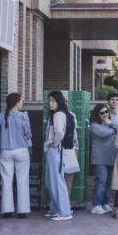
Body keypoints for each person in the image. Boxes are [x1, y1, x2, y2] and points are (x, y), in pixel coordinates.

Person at [43, 90, 73, 221]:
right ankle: (56, 210)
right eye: (49, 100)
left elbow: (59, 132)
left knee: (56, 181)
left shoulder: (58, 115)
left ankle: (64, 212)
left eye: (53, 101)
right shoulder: (61, 114)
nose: (50, 103)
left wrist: (53, 144)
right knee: (52, 181)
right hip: (57, 150)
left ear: (59, 102)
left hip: (55, 150)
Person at [88, 103, 116, 215]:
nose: (105, 114)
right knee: (101, 181)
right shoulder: (94, 125)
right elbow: (103, 134)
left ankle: (105, 203)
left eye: (106, 112)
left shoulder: (109, 124)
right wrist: (113, 127)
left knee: (108, 182)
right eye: (102, 113)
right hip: (99, 158)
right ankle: (96, 205)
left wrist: (111, 124)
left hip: (110, 157)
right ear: (97, 114)